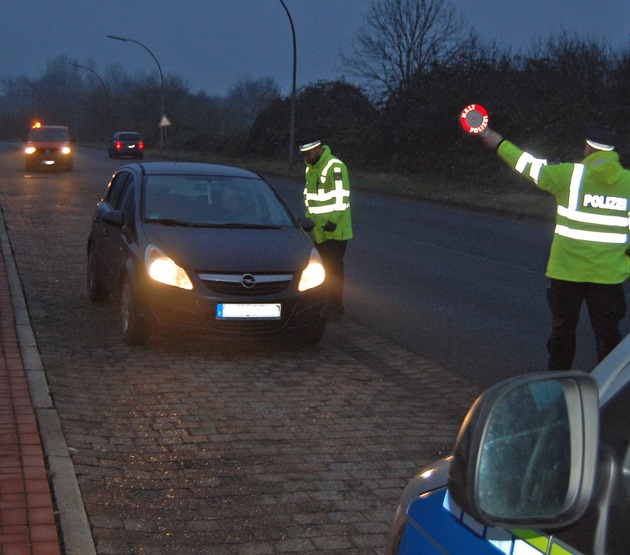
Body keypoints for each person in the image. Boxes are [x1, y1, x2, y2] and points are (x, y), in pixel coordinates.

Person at [479, 125, 630, 370]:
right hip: (608, 276)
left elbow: (528, 166)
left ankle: (557, 385)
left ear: (588, 147)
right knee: (608, 336)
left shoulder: (570, 176)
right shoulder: (628, 183)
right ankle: (608, 390)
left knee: (563, 334)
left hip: (567, 273)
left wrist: (497, 142)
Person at [299, 139, 353, 317]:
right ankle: (323, 303)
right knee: (321, 270)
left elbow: (341, 196)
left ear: (317, 149)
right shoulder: (310, 168)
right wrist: (308, 221)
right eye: (303, 155)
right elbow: (310, 199)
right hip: (319, 229)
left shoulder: (335, 167)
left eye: (308, 154)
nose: (306, 158)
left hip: (335, 230)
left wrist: (333, 220)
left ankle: (335, 307)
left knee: (334, 269)